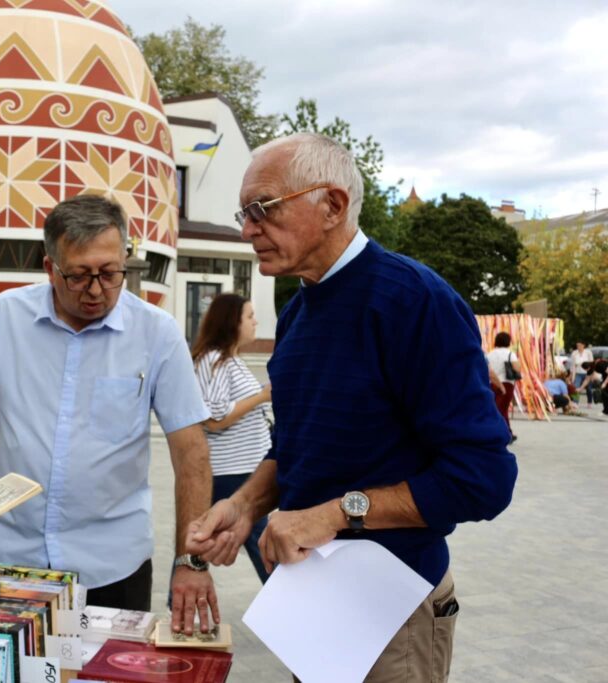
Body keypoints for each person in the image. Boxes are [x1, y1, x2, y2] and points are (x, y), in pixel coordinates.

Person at [185, 133, 518, 682]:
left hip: (392, 615)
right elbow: (295, 449)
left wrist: (334, 514)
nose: (247, 230)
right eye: (244, 213)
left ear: (332, 204)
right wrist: (245, 505)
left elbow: (483, 479)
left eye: (262, 209)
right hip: (316, 607)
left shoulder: (414, 302)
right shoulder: (297, 314)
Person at [0, 194, 218, 635]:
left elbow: (191, 453)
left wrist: (191, 560)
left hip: (113, 563)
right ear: (50, 268)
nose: (97, 289)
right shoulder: (4, 317)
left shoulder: (156, 333)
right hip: (9, 555)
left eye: (110, 273)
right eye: (79, 276)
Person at [190, 293, 272, 582]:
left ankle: (182, 599)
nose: (255, 322)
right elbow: (214, 418)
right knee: (264, 549)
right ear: (231, 322)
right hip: (232, 473)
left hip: (246, 468)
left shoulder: (230, 359)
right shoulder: (214, 360)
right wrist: (262, 395)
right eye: (249, 317)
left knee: (204, 540)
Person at [486, 331, 521, 441]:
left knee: (497, 408)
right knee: (503, 409)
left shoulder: (489, 354)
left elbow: (488, 370)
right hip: (506, 383)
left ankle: (507, 432)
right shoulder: (510, 354)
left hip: (492, 383)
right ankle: (504, 433)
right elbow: (517, 369)